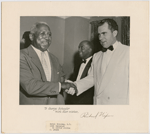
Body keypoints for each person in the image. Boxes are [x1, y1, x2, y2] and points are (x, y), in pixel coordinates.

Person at [68, 18, 129, 105]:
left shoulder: (128, 52)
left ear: (114, 33)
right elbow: (92, 78)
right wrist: (75, 86)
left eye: (104, 33)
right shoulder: (97, 56)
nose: (100, 38)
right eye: (99, 34)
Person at [20, 22, 75, 105]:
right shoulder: (21, 56)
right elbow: (30, 86)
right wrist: (61, 86)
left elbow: (60, 79)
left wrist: (69, 84)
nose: (47, 37)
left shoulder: (54, 58)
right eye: (42, 34)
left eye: (49, 34)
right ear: (31, 36)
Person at [66, 40, 94, 105]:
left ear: (90, 50)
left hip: (87, 102)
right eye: (79, 47)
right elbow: (75, 80)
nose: (79, 50)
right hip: (75, 100)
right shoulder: (78, 65)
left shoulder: (95, 62)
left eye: (82, 47)